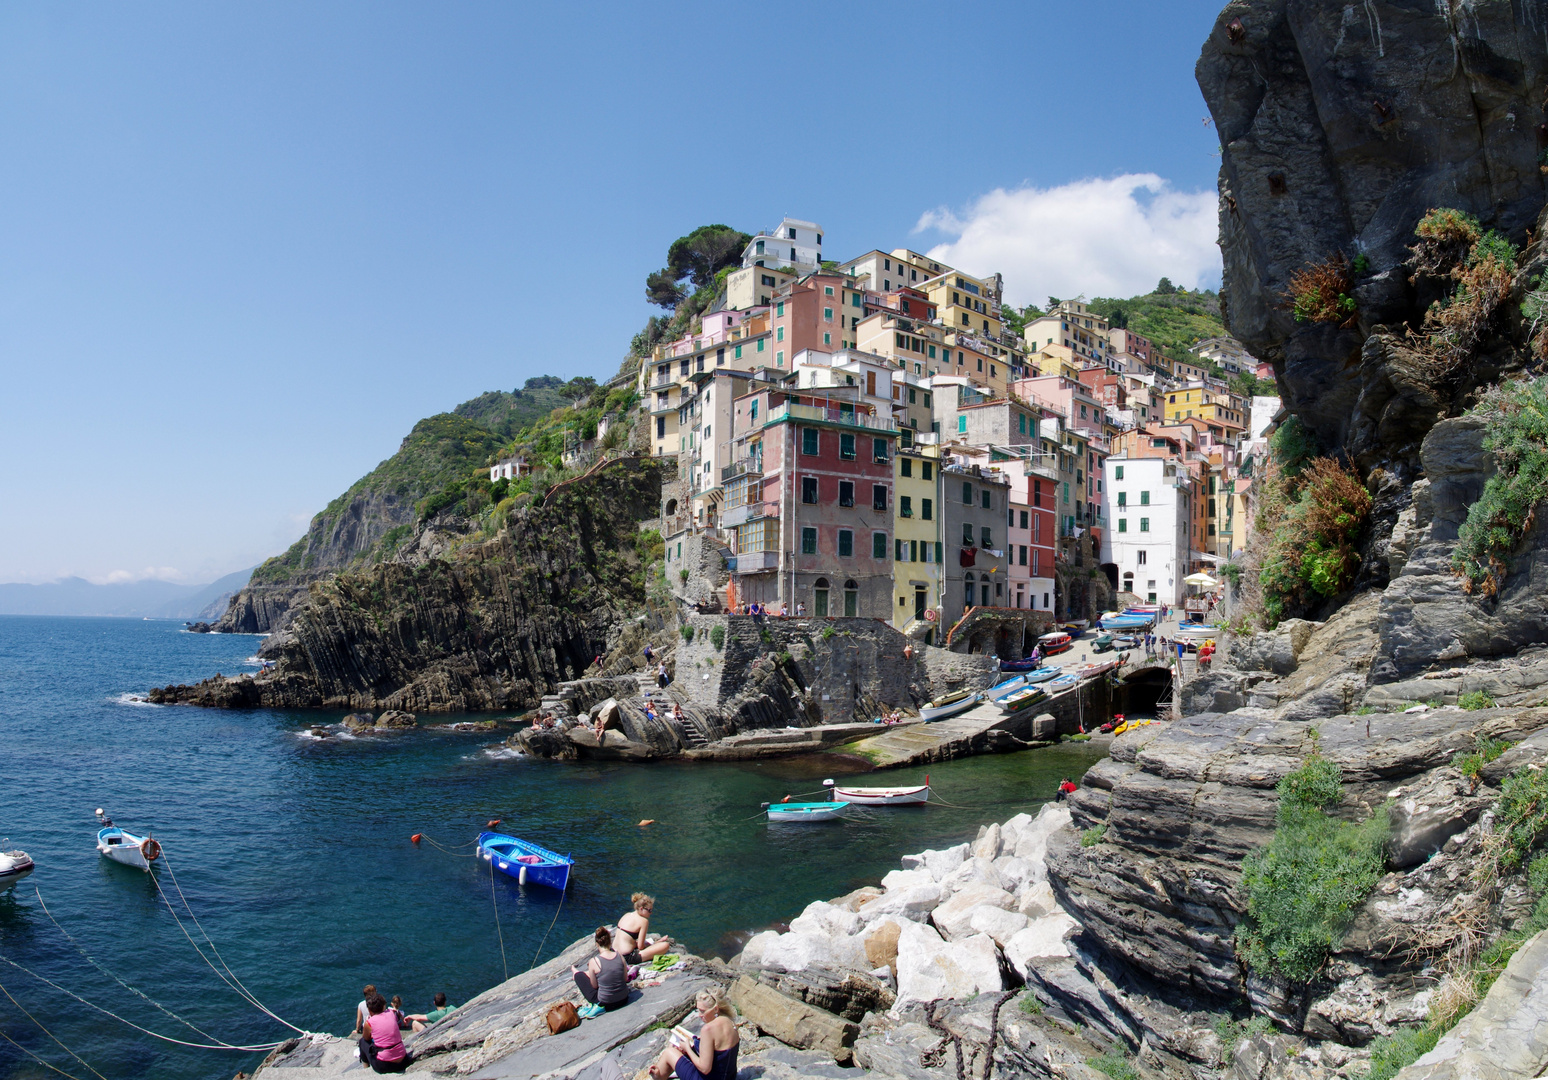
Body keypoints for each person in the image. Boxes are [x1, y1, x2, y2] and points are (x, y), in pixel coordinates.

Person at [649, 987, 739, 1080]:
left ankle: (658, 1075)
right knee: (682, 1052)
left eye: (703, 1011)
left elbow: (705, 1068)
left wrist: (687, 1048)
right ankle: (659, 1074)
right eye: (698, 1010)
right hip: (729, 1077)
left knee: (669, 1052)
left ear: (715, 1009)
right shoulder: (730, 1022)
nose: (699, 1015)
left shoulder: (708, 1029)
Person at [571, 926, 631, 1015]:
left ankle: (574, 971)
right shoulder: (620, 956)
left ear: (597, 944)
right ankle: (577, 972)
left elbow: (594, 986)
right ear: (610, 942)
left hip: (606, 1004)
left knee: (578, 976)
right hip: (624, 999)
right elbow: (625, 979)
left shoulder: (594, 961)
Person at [615, 892, 673, 963]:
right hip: (626, 957)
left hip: (614, 953)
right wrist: (655, 945)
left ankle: (657, 942)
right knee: (665, 945)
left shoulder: (626, 915)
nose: (651, 913)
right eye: (649, 910)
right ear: (641, 908)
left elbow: (628, 940)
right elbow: (641, 947)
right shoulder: (643, 921)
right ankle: (658, 943)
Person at [358, 992, 409, 1073]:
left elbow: (366, 1038)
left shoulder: (370, 1022)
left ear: (369, 1010)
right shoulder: (392, 1013)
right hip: (403, 1060)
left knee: (362, 1042)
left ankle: (365, 1069)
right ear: (384, 1006)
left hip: (385, 1065)